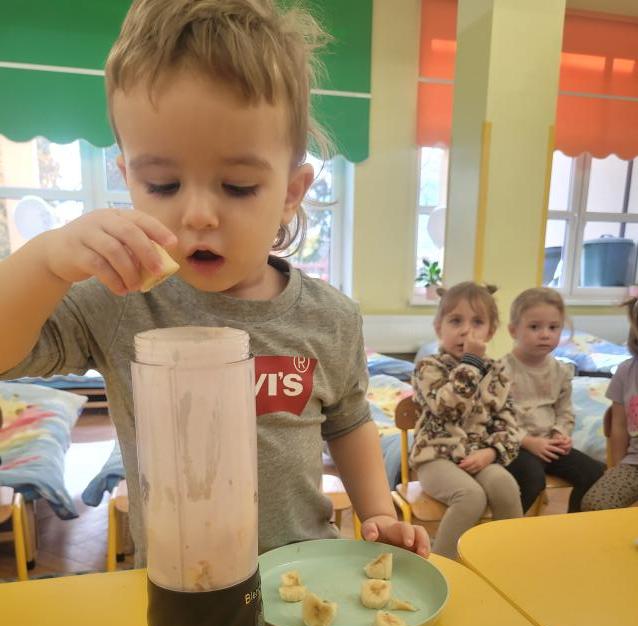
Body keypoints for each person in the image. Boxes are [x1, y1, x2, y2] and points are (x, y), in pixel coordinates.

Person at [0, 0, 429, 562]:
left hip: (303, 572)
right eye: (163, 184)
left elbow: (348, 423)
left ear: (291, 194)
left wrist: (377, 514)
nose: (199, 214)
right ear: (128, 179)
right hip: (183, 581)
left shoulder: (331, 317)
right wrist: (46, 261)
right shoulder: (121, 299)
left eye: (237, 186)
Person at [410, 281, 523, 560]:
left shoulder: (497, 372)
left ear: (490, 332)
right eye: (456, 321)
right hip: (434, 457)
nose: (466, 330)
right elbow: (448, 409)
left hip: (477, 456)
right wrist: (471, 363)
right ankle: (441, 564)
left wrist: (492, 452)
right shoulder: (429, 367)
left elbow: (509, 424)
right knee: (471, 496)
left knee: (505, 485)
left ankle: (507, 560)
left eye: (477, 322)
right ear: (439, 327)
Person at [504, 289, 605, 513]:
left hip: (550, 445)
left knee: (594, 473)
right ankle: (506, 527)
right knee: (532, 479)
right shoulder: (501, 371)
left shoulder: (561, 371)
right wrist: (527, 441)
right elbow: (495, 419)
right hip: (514, 447)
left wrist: (561, 433)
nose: (545, 335)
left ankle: (570, 525)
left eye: (553, 327)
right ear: (513, 330)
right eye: (534, 327)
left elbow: (564, 411)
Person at [582, 297, 638, 511]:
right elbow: (619, 427)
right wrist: (615, 468)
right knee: (594, 504)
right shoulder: (626, 371)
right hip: (634, 465)